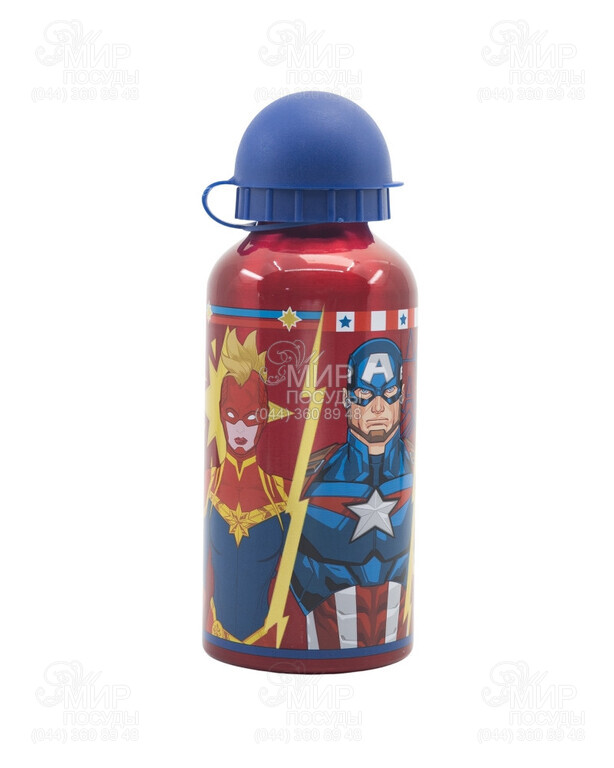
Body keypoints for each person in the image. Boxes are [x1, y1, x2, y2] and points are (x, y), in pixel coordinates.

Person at [291, 338, 413, 649]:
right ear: (348, 400)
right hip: (323, 630)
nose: (378, 408)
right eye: (365, 395)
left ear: (402, 396)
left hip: (393, 629)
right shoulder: (313, 473)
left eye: (388, 394)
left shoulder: (411, 464)